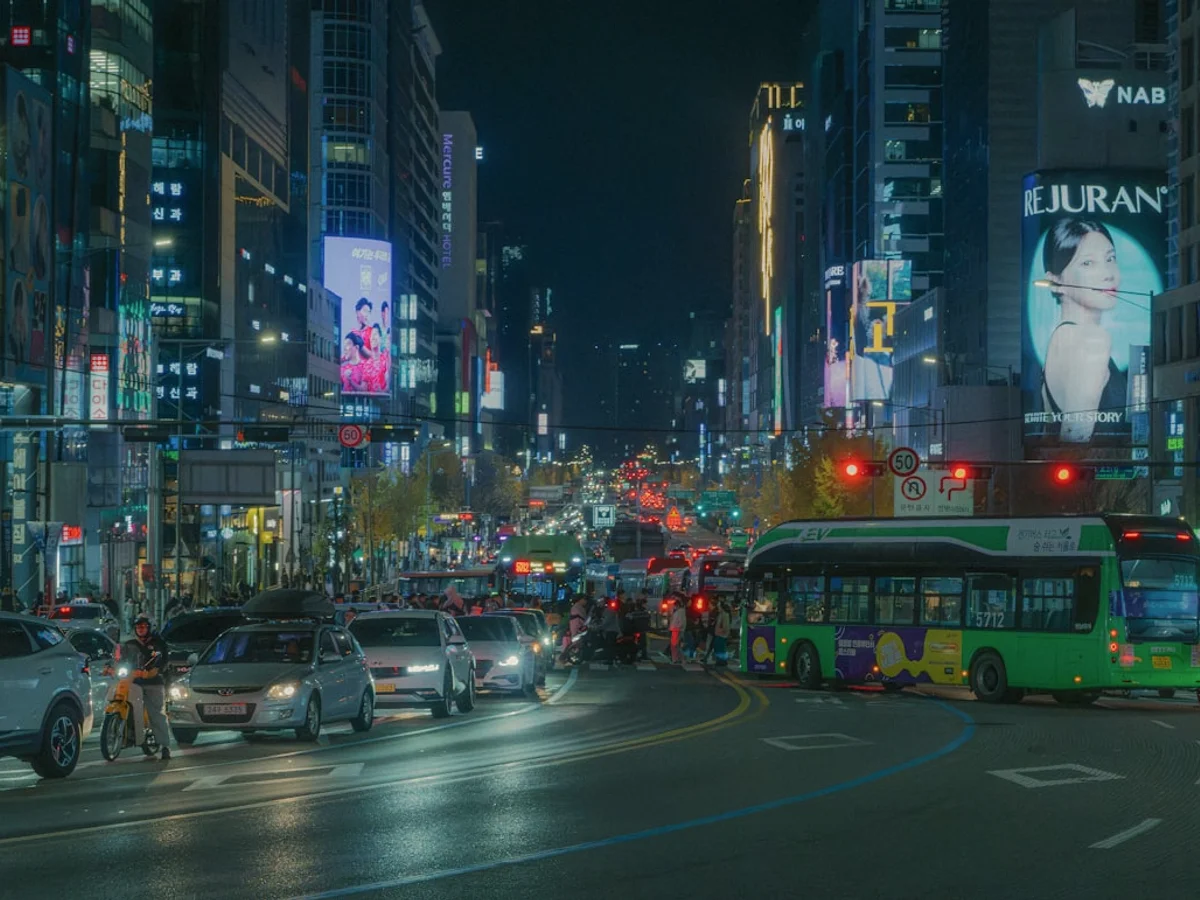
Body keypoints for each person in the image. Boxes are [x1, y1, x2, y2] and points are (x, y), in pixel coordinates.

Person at [1035, 217, 1127, 443]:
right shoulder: (1091, 340)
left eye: (1110, 258)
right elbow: (1074, 438)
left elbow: (1052, 436)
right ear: (1055, 280)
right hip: (1097, 476)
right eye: (1088, 263)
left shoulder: (1059, 339)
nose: (1108, 273)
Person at [121, 615, 171, 761]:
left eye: (143, 627)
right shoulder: (129, 644)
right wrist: (110, 667)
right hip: (134, 682)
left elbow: (161, 660)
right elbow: (120, 659)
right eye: (138, 627)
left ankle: (165, 746)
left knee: (156, 714)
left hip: (154, 682)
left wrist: (154, 670)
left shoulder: (158, 643)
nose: (140, 630)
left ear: (149, 628)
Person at [600, 599, 622, 667]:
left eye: (602, 602)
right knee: (610, 646)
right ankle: (611, 659)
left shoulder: (609, 610)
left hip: (611, 630)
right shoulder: (610, 610)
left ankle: (610, 660)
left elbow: (606, 622)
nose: (600, 603)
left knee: (610, 646)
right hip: (612, 630)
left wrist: (598, 627)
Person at [711, 600, 732, 667]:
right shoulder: (720, 614)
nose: (718, 608)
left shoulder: (725, 615)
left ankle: (722, 661)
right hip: (719, 634)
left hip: (722, 635)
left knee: (720, 648)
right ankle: (720, 660)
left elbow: (725, 627)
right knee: (718, 648)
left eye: (719, 607)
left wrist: (720, 631)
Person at [669, 597, 687, 664]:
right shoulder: (682, 612)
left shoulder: (679, 612)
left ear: (677, 606)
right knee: (678, 645)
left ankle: (676, 659)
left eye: (674, 606)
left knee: (674, 645)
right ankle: (680, 659)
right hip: (678, 630)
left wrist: (676, 627)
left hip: (676, 630)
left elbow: (679, 622)